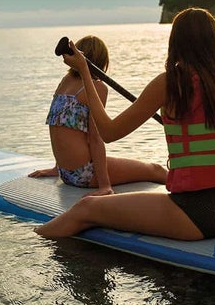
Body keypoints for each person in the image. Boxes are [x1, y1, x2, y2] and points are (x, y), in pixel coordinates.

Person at [34, 8, 215, 241]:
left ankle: (32, 244)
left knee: (85, 208)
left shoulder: (171, 82)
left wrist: (86, 74)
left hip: (197, 215)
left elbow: (109, 132)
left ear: (177, 42)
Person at [29, 35, 166, 197]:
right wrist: (105, 185)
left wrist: (56, 169)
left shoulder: (66, 81)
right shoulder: (98, 87)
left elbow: (59, 128)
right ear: (102, 61)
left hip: (66, 173)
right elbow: (96, 138)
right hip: (85, 173)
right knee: (155, 170)